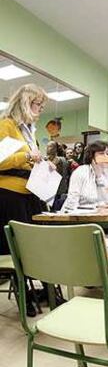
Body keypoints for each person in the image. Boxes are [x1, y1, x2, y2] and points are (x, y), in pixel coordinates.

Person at [0, 83, 47, 316]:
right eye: (36, 104)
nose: (40, 109)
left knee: (38, 246)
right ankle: (22, 293)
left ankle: (46, 290)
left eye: (42, 105)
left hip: (31, 192)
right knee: (18, 249)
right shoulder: (6, 125)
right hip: (10, 194)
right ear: (24, 102)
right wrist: (28, 156)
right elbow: (1, 161)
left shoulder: (30, 130)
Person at [61, 141, 108, 212]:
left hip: (103, 214)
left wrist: (99, 177)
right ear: (91, 156)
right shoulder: (80, 171)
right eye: (101, 154)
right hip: (80, 215)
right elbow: (72, 199)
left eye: (107, 154)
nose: (106, 157)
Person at [46, 141, 70, 211]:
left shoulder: (58, 159)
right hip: (55, 191)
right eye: (47, 146)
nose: (47, 148)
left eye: (50, 146)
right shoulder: (51, 159)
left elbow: (51, 173)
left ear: (55, 149)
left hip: (57, 192)